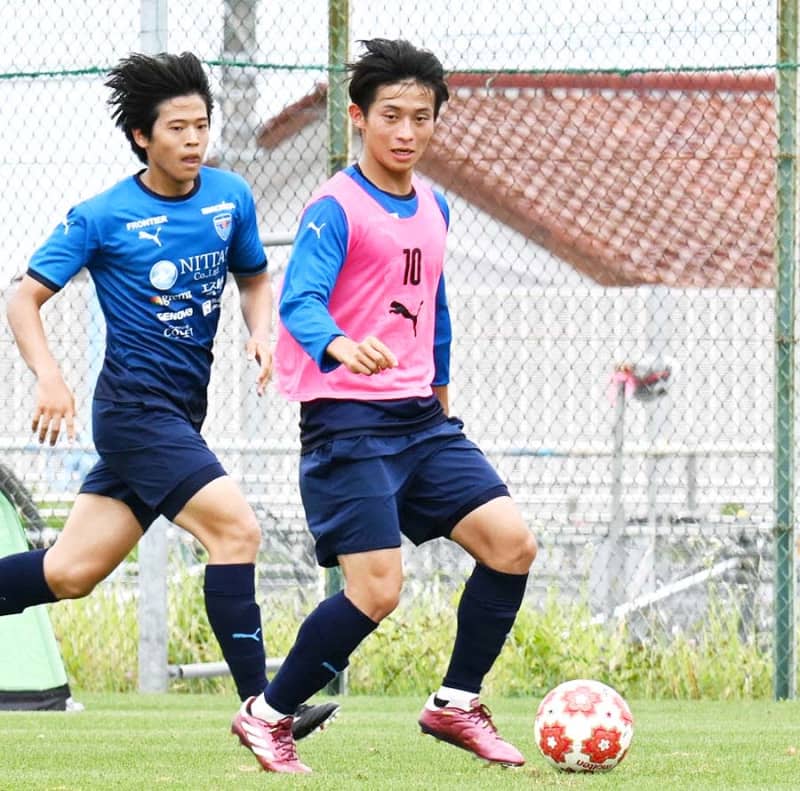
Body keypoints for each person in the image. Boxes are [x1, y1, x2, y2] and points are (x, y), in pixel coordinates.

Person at [1, 51, 337, 746]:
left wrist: (262, 331)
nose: (193, 139)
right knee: (236, 530)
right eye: (178, 127)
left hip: (180, 416)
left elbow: (252, 278)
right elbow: (23, 298)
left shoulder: (229, 197)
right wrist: (50, 376)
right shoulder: (101, 216)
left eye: (202, 124)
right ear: (140, 137)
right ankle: (261, 709)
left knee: (69, 571)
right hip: (133, 415)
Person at [229, 38, 538, 774]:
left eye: (421, 117)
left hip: (420, 421)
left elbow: (434, 303)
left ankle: (456, 702)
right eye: (391, 115)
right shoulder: (334, 205)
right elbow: (299, 296)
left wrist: (441, 382)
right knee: (377, 590)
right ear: (359, 119)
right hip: (348, 424)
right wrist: (337, 344)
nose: (406, 131)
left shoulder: (433, 206)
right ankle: (270, 716)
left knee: (512, 544)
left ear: (435, 124)